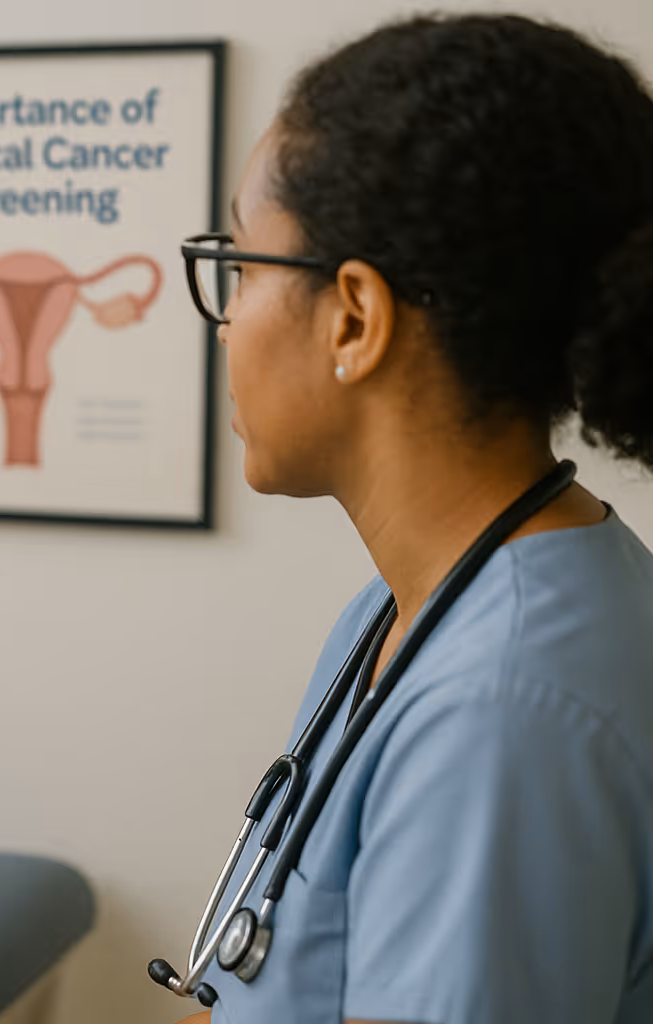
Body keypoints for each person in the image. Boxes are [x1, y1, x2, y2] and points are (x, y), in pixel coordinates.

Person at [174, 14, 653, 1024]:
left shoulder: (504, 711)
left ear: (354, 317)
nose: (227, 323)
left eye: (245, 268)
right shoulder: (406, 610)